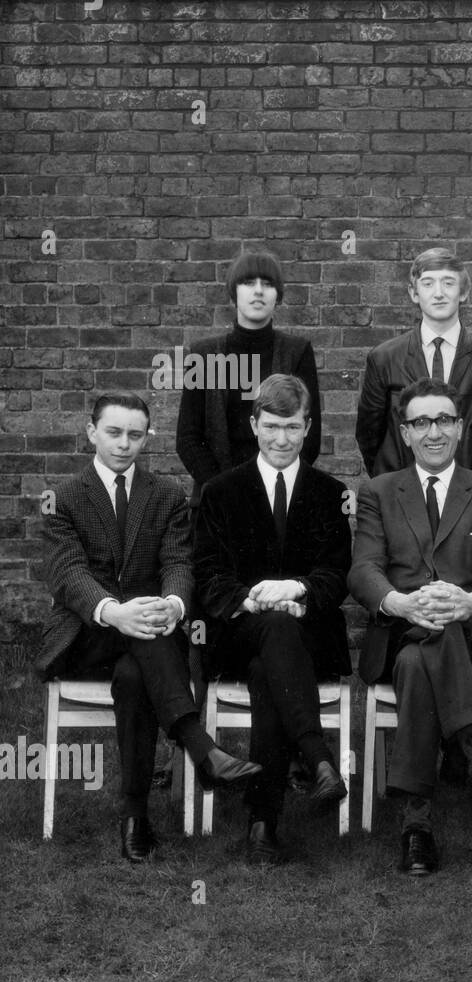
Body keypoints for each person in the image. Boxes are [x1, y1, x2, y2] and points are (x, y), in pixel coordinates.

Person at [38, 393, 259, 863]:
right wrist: (116, 611)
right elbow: (68, 573)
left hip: (147, 639)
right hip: (88, 634)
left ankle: (135, 816)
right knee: (145, 639)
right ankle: (202, 750)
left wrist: (174, 604)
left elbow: (179, 561)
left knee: (137, 676)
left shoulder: (165, 495)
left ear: (147, 437)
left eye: (135, 435)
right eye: (114, 433)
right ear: (91, 431)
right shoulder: (63, 498)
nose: (124, 444)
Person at [349, 378, 472, 877]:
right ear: (404, 433)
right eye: (421, 422)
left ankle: (416, 825)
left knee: (422, 654)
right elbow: (364, 569)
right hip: (400, 627)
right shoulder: (379, 492)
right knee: (418, 643)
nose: (433, 432)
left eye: (444, 420)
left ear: (460, 427)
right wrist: (402, 603)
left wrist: (470, 602)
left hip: (468, 639)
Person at [192, 374, 353, 865]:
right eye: (272, 426)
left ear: (308, 428)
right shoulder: (220, 491)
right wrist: (254, 600)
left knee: (271, 669)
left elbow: (337, 573)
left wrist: (297, 589)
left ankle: (263, 824)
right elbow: (208, 575)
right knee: (271, 637)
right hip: (237, 633)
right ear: (254, 424)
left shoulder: (330, 492)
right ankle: (316, 754)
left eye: (293, 427)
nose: (282, 439)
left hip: (309, 635)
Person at [356, 247, 472, 481]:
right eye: (428, 283)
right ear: (414, 293)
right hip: (403, 495)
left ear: (463, 292)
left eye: (448, 283)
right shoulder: (383, 358)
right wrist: (393, 485)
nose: (439, 293)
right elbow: (368, 437)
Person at [177, 249, 322, 499]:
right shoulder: (203, 354)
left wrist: (272, 485)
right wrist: (224, 489)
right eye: (248, 282)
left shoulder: (297, 352)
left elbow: (310, 435)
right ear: (234, 293)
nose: (258, 291)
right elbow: (188, 437)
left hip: (279, 495)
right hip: (216, 498)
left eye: (267, 284)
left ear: (278, 295)